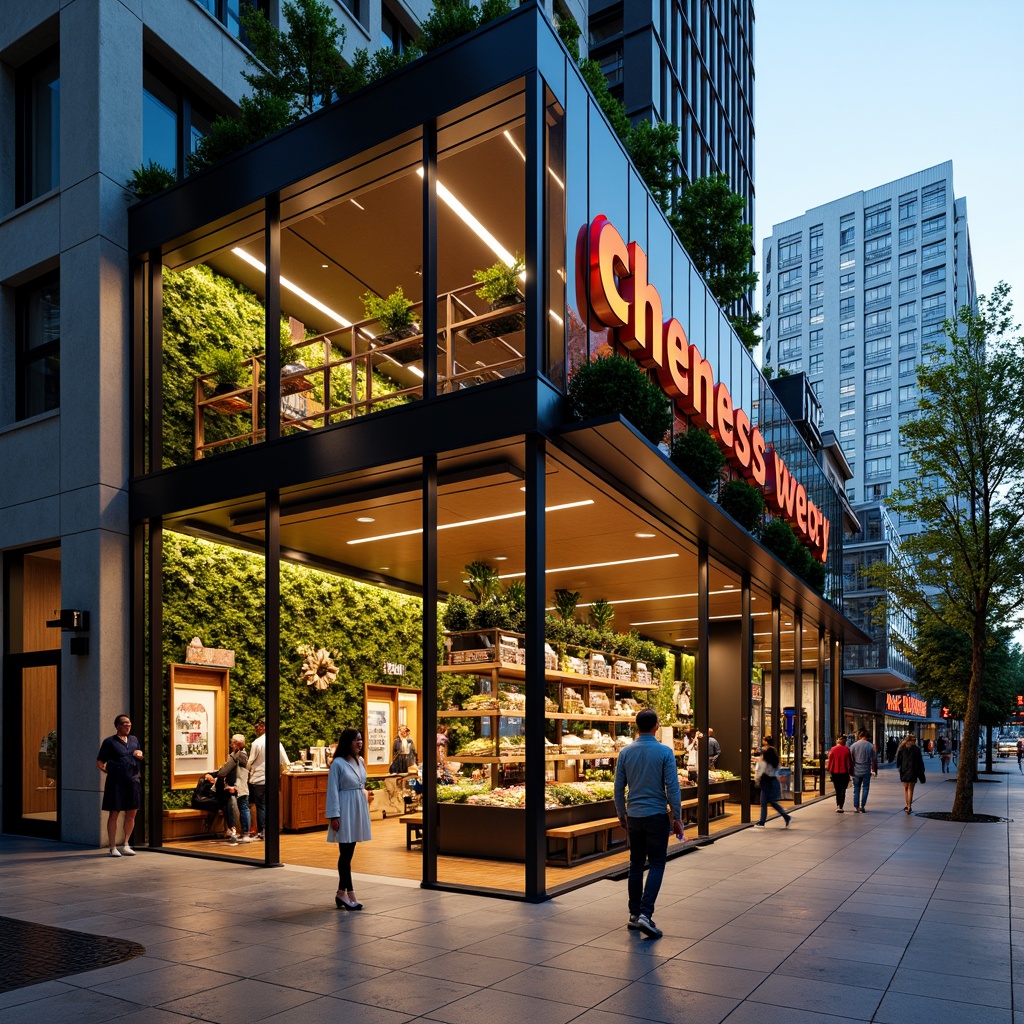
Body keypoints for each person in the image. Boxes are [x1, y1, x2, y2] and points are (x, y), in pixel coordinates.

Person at [613, 708, 684, 939]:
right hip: (656, 816)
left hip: (634, 816)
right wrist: (677, 818)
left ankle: (634, 915)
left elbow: (618, 787)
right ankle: (645, 913)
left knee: (635, 864)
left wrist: (621, 813)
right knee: (656, 864)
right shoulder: (664, 752)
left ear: (636, 727)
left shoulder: (625, 753)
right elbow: (672, 788)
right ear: (656, 727)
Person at [326, 727, 373, 911]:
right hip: (345, 808)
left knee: (349, 852)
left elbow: (361, 783)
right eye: (356, 740)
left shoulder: (359, 761)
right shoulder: (337, 763)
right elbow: (332, 791)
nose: (360, 743)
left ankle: (340, 893)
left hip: (356, 807)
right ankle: (350, 894)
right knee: (345, 854)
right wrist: (334, 815)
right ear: (348, 742)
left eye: (361, 739)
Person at [96, 714, 144, 857]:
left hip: (132, 781)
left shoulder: (134, 740)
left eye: (129, 724)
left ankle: (126, 844)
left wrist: (140, 755)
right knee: (114, 813)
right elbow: (99, 762)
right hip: (116, 783)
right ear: (117, 726)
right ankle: (112, 847)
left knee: (131, 813)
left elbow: (140, 756)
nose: (128, 726)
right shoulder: (109, 742)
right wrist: (111, 771)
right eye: (124, 724)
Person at [247, 717, 291, 839]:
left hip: (258, 778)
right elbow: (285, 761)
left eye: (257, 727)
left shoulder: (256, 743)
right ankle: (272, 829)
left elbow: (250, 762)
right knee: (271, 805)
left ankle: (262, 831)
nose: (256, 730)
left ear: (262, 727)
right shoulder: (276, 742)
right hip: (273, 779)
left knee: (261, 805)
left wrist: (246, 771)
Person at [205, 735, 251, 843]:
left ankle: (245, 833)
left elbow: (225, 770)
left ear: (237, 744)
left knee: (243, 806)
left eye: (232, 743)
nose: (231, 745)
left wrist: (216, 774)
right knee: (240, 806)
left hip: (240, 785)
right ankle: (242, 832)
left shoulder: (239, 754)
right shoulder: (240, 754)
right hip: (239, 785)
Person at [754, 736, 791, 828]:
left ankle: (762, 822)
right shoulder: (774, 754)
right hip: (773, 780)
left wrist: (757, 778)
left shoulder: (766, 755)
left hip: (766, 780)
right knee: (771, 801)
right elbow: (777, 767)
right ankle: (785, 817)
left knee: (764, 802)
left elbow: (761, 768)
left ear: (766, 743)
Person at [896, 734, 926, 813]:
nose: (915, 741)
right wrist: (922, 770)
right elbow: (920, 761)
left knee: (906, 789)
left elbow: (898, 760)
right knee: (911, 789)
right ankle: (909, 806)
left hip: (904, 770)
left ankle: (907, 805)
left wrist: (899, 767)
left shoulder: (902, 748)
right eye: (914, 740)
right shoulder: (916, 749)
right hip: (913, 770)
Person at [850, 729, 877, 813]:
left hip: (856, 770)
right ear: (867, 737)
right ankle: (863, 806)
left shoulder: (853, 746)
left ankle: (856, 806)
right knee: (865, 788)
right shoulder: (870, 746)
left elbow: (850, 758)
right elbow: (874, 759)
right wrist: (874, 770)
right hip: (866, 770)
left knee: (856, 788)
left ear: (859, 736)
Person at [826, 734, 853, 813]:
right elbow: (849, 762)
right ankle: (841, 805)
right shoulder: (847, 750)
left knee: (837, 789)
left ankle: (838, 805)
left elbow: (830, 760)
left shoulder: (833, 749)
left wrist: (829, 769)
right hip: (844, 772)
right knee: (843, 790)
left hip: (835, 772)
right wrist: (851, 772)